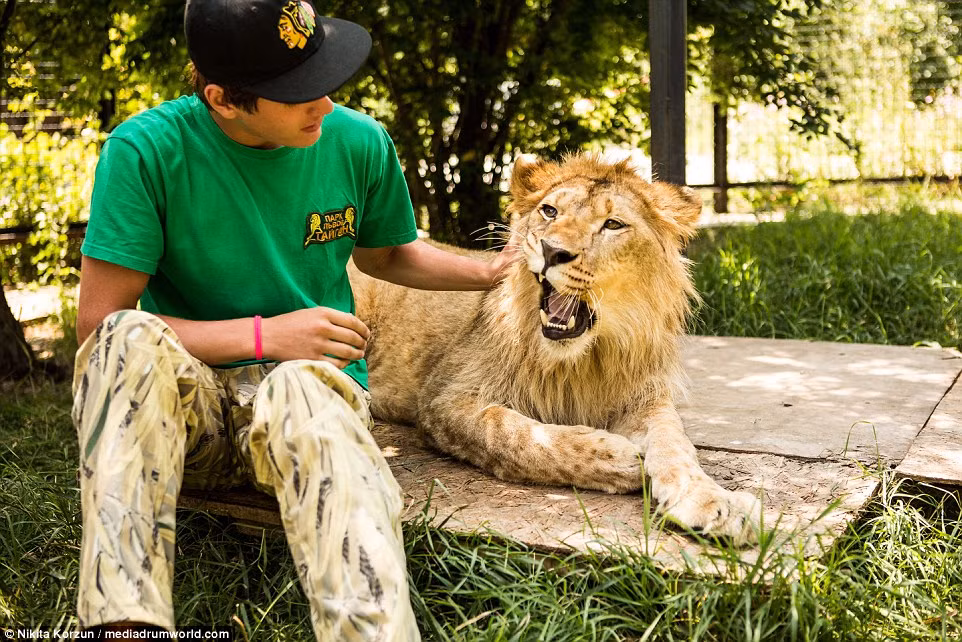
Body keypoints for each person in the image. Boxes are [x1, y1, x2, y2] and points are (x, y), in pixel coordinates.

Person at [71, 0, 518, 639]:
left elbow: (388, 251)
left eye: (325, 79)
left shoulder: (357, 141)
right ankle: (125, 623)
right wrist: (265, 336)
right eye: (299, 92)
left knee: (301, 381)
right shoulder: (145, 150)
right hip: (189, 413)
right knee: (124, 339)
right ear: (223, 99)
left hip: (312, 405)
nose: (325, 105)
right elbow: (99, 325)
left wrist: (492, 271)